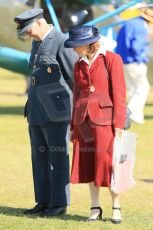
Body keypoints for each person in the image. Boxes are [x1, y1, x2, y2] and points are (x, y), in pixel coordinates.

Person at [14, 8, 77, 216]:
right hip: (36, 112)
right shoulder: (37, 42)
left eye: (29, 30)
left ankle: (59, 203)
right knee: (39, 159)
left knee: (58, 159)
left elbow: (73, 79)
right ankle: (43, 200)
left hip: (57, 114)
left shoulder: (62, 41)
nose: (27, 35)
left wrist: (76, 112)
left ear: (40, 23)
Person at [64, 25, 126, 223]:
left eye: (76, 46)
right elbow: (77, 96)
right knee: (89, 165)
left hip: (106, 121)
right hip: (83, 121)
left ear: (89, 44)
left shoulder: (112, 59)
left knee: (109, 164)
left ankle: (116, 208)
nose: (74, 49)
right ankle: (95, 208)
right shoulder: (77, 64)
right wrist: (73, 126)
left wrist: (118, 124)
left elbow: (119, 94)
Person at [116, 8, 153, 124]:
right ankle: (132, 114)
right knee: (143, 87)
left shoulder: (128, 23)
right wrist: (143, 58)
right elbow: (137, 47)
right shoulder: (141, 27)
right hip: (134, 61)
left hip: (122, 60)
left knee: (133, 88)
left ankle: (132, 115)